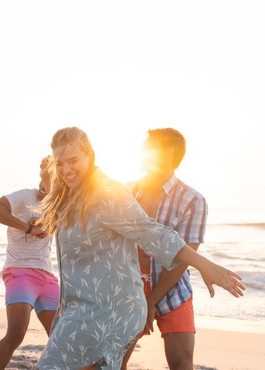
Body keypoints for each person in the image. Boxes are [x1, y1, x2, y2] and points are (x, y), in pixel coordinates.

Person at [35, 127, 244, 370]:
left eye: (73, 161)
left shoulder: (107, 193)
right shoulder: (72, 194)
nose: (66, 169)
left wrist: (203, 264)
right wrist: (52, 185)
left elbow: (152, 232)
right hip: (82, 307)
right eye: (59, 163)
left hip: (109, 309)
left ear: (89, 155)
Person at [121, 129, 207, 370]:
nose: (141, 152)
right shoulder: (126, 191)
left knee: (182, 363)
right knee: (114, 362)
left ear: (168, 153)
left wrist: (151, 301)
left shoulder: (192, 200)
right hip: (129, 284)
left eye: (148, 147)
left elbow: (183, 259)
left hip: (172, 286)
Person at [0, 156, 59, 370]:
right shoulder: (25, 196)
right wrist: (27, 228)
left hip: (47, 276)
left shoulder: (58, 205)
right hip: (20, 272)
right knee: (16, 333)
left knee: (59, 336)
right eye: (49, 177)